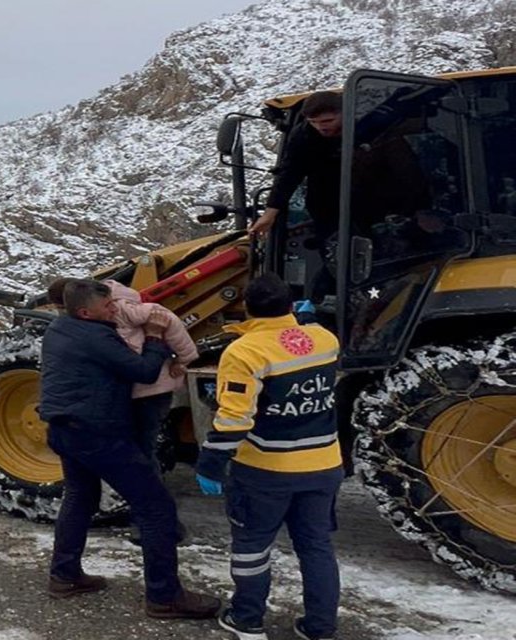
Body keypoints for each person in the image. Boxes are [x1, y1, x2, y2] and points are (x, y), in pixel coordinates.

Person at [40, 278, 220, 620]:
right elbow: (145, 371)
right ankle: (165, 597)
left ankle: (64, 576)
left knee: (80, 497)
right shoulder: (97, 336)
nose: (114, 309)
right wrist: (153, 335)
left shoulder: (59, 328)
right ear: (85, 312)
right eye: (107, 307)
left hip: (64, 430)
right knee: (156, 508)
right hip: (99, 436)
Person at [195, 274, 343, 640]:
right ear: (291, 307)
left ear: (245, 308)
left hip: (266, 470)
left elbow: (234, 418)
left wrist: (211, 463)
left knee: (252, 547)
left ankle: (247, 619)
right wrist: (305, 321)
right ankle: (321, 628)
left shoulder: (244, 351)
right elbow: (297, 342)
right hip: (324, 465)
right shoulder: (325, 339)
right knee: (316, 547)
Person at [104, 280, 199, 472]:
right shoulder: (116, 311)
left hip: (148, 388)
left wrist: (185, 358)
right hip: (143, 388)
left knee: (142, 445)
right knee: (141, 442)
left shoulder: (123, 308)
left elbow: (165, 318)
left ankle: (148, 488)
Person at [250, 91, 343, 240]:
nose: (320, 127)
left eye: (327, 121)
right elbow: (289, 173)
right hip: (326, 200)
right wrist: (269, 214)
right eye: (313, 122)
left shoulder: (369, 128)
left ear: (344, 114)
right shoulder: (303, 135)